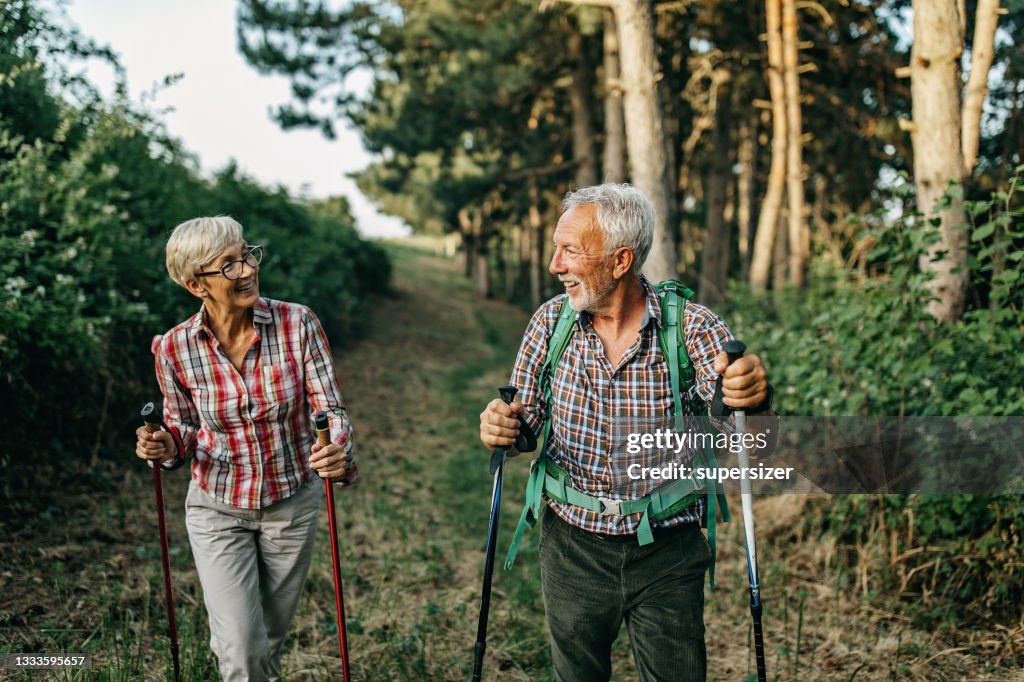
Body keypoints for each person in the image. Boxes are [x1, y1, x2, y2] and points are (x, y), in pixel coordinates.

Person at [479, 184, 775, 681]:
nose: (555, 265)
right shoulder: (550, 323)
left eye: (570, 250)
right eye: (558, 248)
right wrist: (500, 425)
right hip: (572, 546)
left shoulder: (694, 329)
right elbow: (523, 424)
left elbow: (743, 433)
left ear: (620, 261)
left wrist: (752, 396)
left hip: (668, 548)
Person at [134, 216, 358, 682]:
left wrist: (335, 447)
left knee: (266, 640)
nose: (248, 270)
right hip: (217, 505)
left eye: (247, 255)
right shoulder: (174, 348)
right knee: (240, 646)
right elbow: (184, 428)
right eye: (229, 265)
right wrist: (164, 443)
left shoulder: (297, 323)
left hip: (291, 503)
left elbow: (330, 409)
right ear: (197, 284)